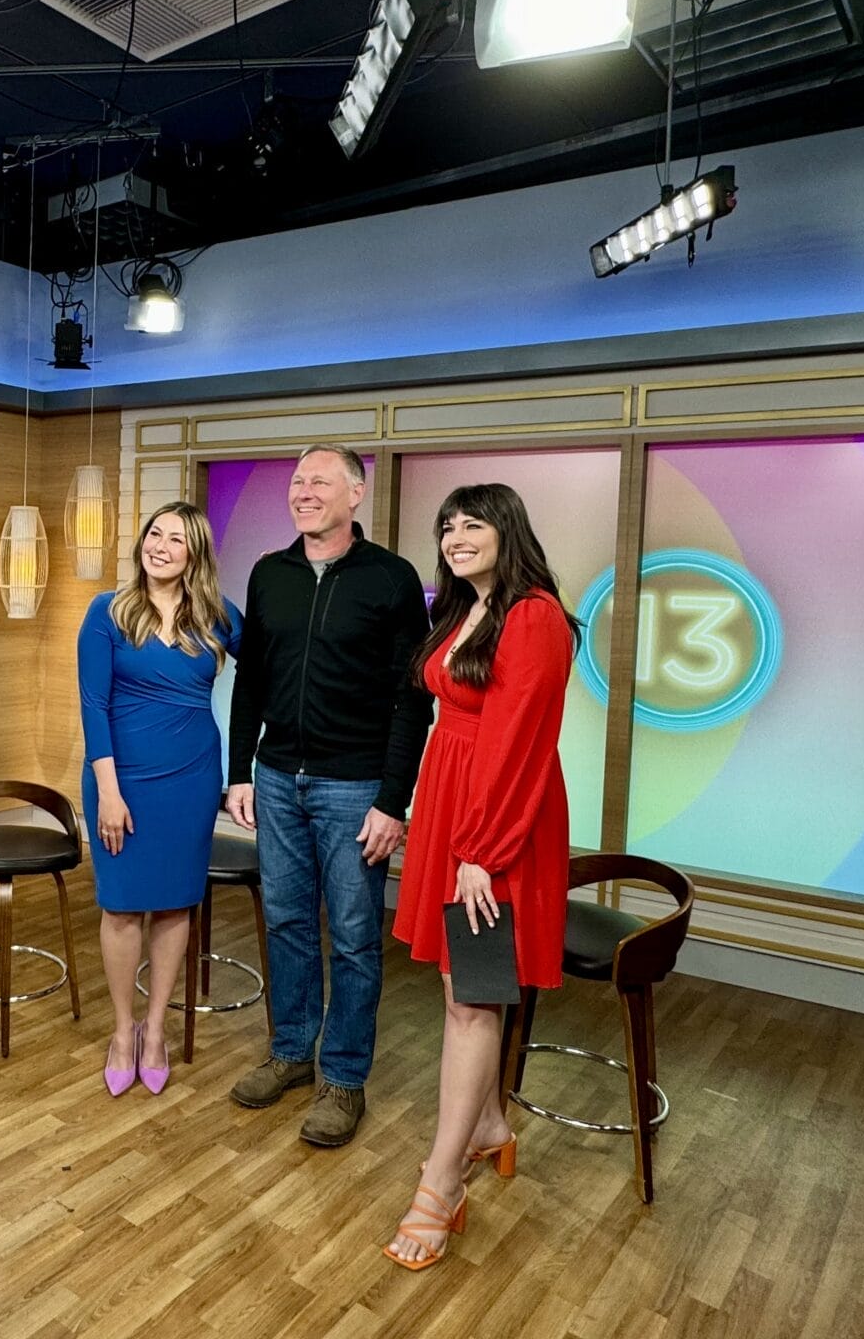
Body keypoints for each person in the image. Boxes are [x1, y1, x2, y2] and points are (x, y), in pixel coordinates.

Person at [383, 482, 580, 1271]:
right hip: (453, 804)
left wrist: (483, 850)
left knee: (473, 997)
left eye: (473, 524)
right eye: (447, 526)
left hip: (496, 825)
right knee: (459, 991)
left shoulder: (533, 616)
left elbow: (521, 740)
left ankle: (441, 1184)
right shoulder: (465, 607)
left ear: (508, 531)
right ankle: (490, 1126)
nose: (456, 536)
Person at [224, 444, 431, 1147]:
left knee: (352, 936)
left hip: (356, 785)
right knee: (285, 922)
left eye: (320, 481)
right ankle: (290, 1052)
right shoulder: (269, 573)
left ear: (355, 494)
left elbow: (413, 700)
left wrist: (393, 801)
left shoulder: (391, 579)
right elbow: (251, 679)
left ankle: (343, 1078)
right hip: (277, 777)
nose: (303, 492)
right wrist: (240, 771)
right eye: (297, 481)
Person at [77, 501, 242, 1096]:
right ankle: (123, 1032)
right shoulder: (108, 611)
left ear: (194, 554)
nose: (160, 546)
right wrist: (109, 793)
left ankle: (156, 1031)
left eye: (176, 538)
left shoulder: (218, 616)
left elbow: (276, 667)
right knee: (121, 907)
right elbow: (94, 705)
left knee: (175, 906)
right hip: (120, 781)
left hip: (190, 781)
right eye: (154, 533)